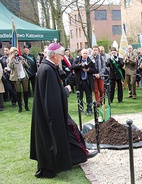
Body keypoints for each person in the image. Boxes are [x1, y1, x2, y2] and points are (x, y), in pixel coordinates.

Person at [30, 43, 96, 179]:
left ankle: (79, 155)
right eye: (61, 55)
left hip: (53, 111)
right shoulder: (47, 69)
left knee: (69, 133)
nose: (62, 58)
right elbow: (52, 96)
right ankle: (79, 155)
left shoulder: (47, 67)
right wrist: (65, 90)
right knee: (68, 131)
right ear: (54, 55)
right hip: (54, 114)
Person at [70, 49, 98, 115]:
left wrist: (88, 70)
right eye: (84, 53)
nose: (85, 54)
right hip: (80, 81)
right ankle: (80, 108)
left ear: (88, 54)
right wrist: (80, 65)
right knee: (80, 96)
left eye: (86, 53)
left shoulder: (91, 61)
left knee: (89, 96)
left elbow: (95, 70)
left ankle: (89, 109)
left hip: (87, 81)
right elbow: (72, 67)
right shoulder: (77, 60)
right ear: (81, 54)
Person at [8, 47, 30, 112]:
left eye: (16, 52)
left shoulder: (20, 58)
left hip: (23, 76)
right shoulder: (10, 59)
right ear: (11, 53)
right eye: (14, 52)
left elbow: (27, 65)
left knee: (26, 91)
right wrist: (12, 58)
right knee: (18, 92)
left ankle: (26, 106)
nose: (16, 53)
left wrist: (24, 61)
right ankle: (20, 107)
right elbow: (10, 67)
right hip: (16, 77)